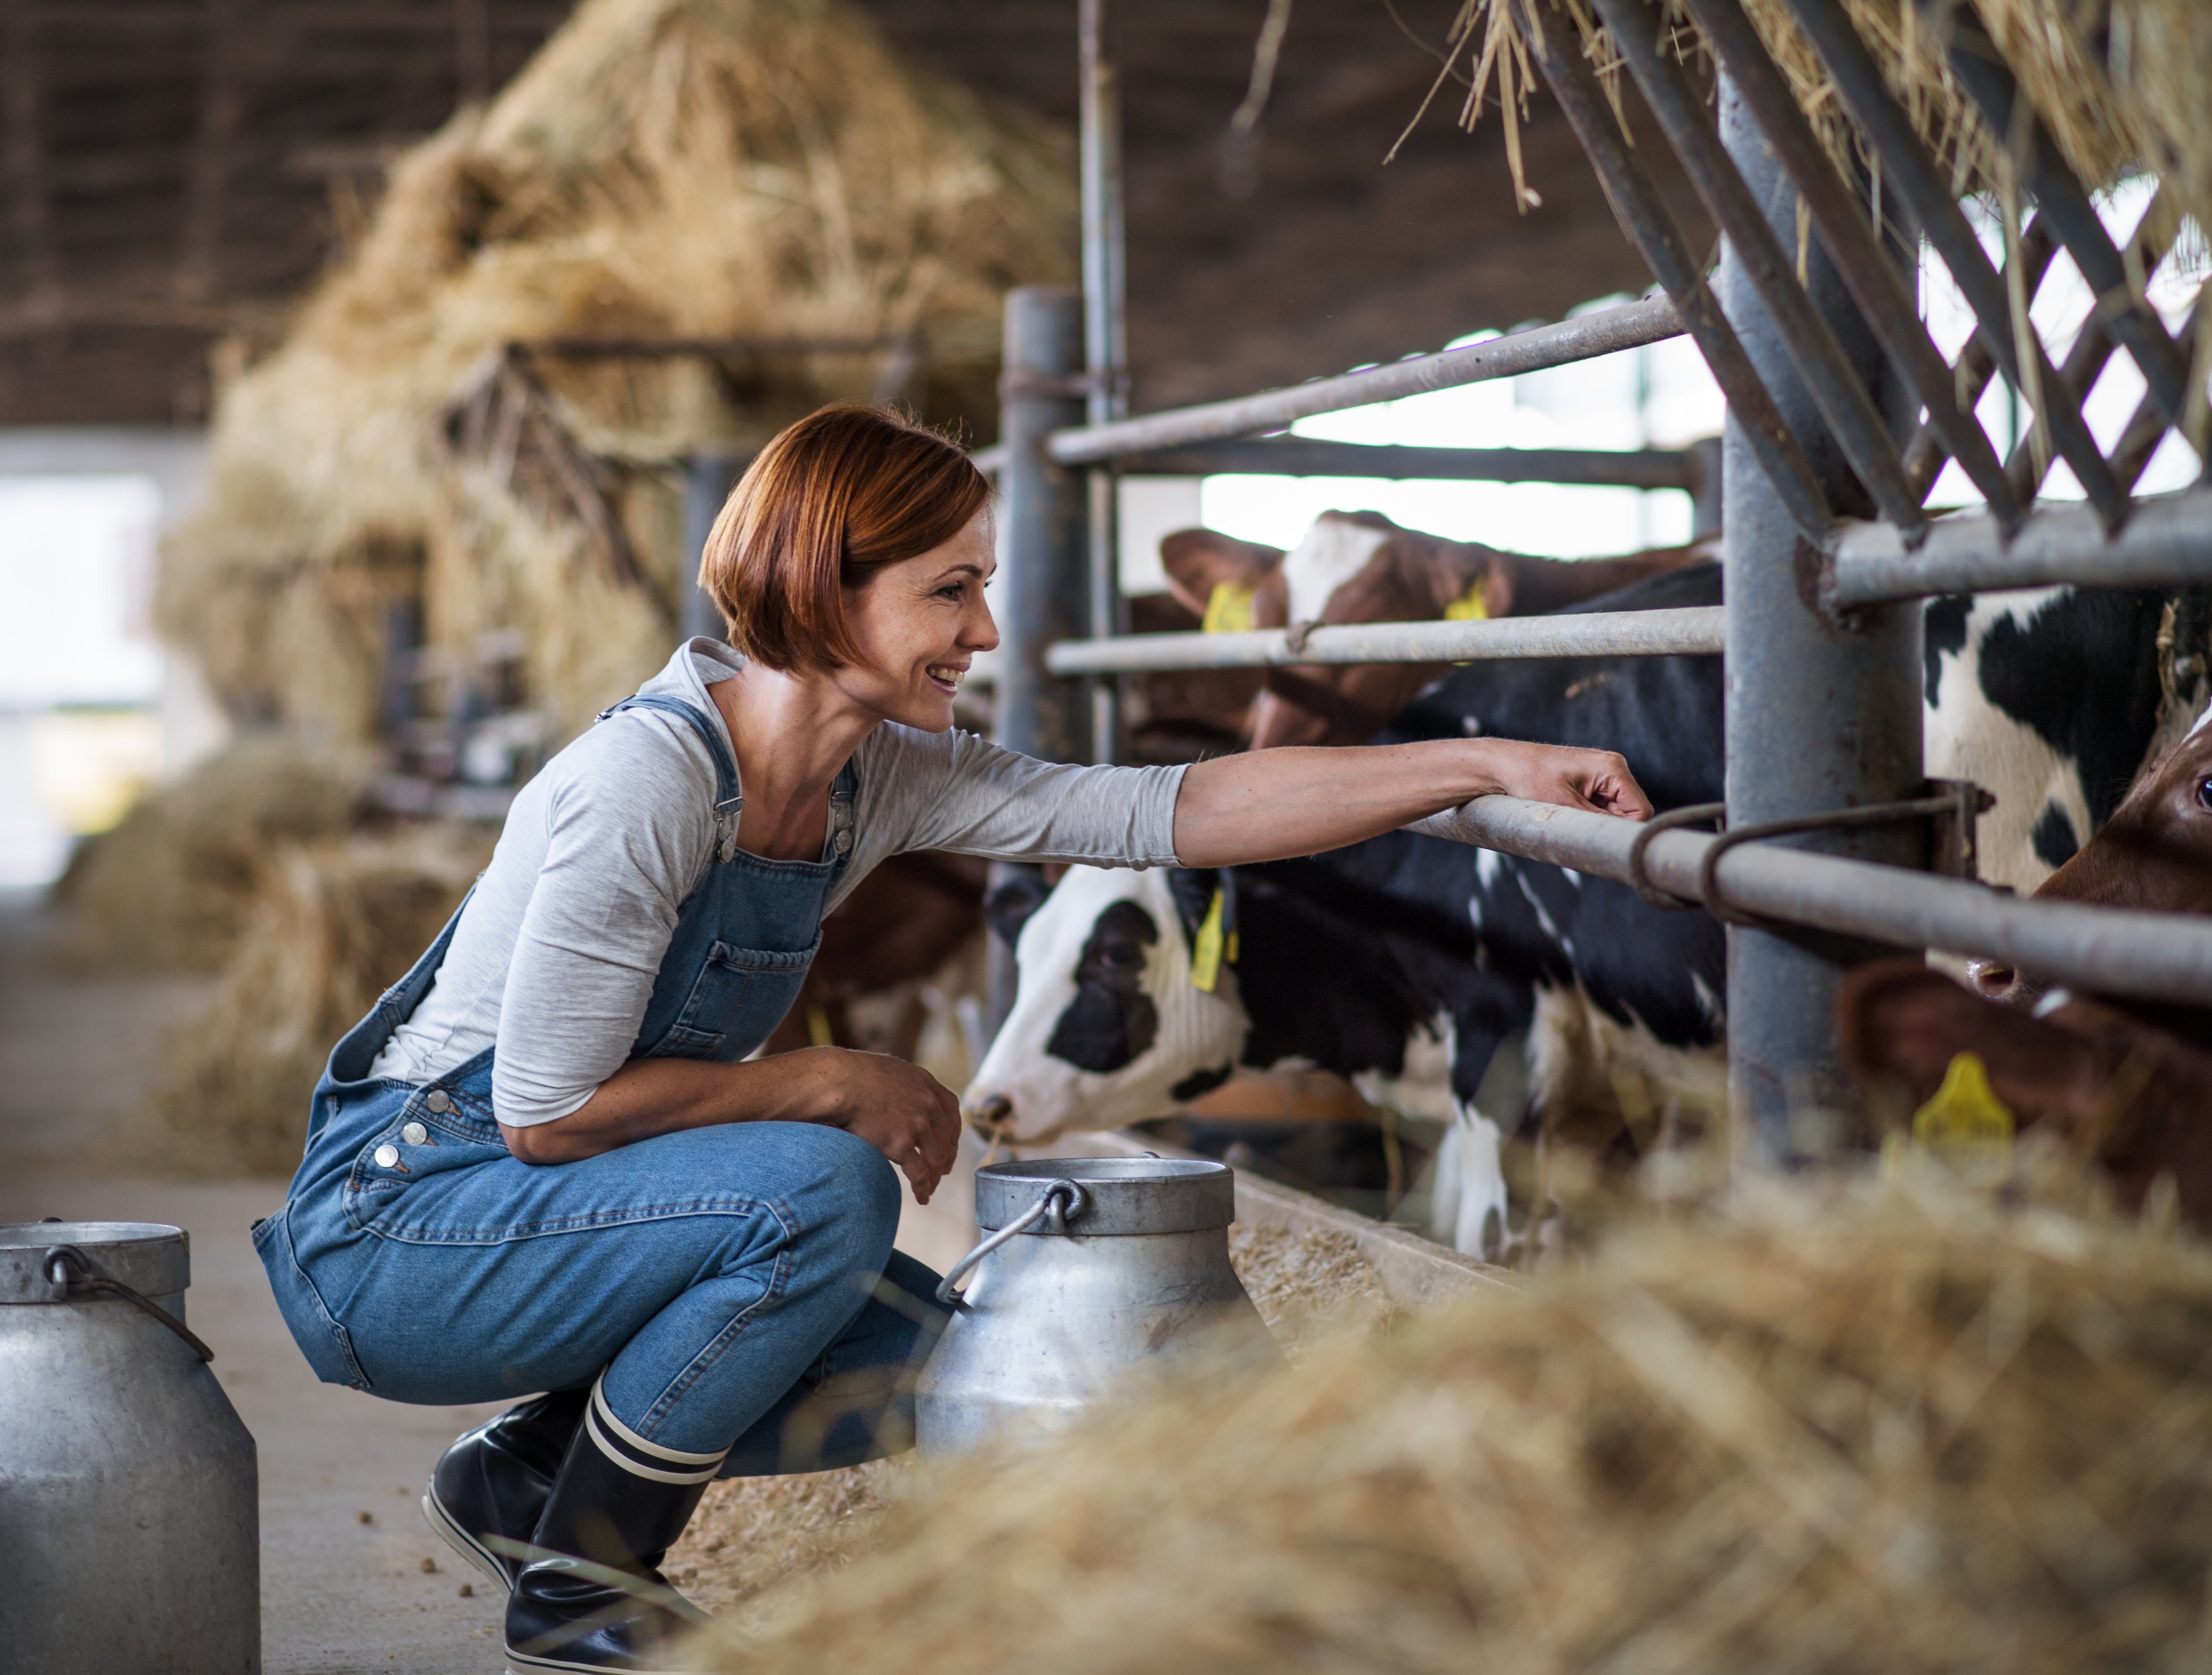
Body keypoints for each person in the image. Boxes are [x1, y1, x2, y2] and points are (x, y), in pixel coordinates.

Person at [253, 404, 1650, 1672]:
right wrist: (831, 1079)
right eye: (950, 590)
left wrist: (1481, 768)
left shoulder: (878, 776)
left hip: (528, 1206)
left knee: (942, 1362)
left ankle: (517, 1481)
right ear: (821, 585)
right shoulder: (650, 782)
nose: (984, 631)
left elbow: (1168, 810)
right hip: (402, 1230)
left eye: (980, 587)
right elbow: (547, 1115)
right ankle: (579, 1583)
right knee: (826, 1191)